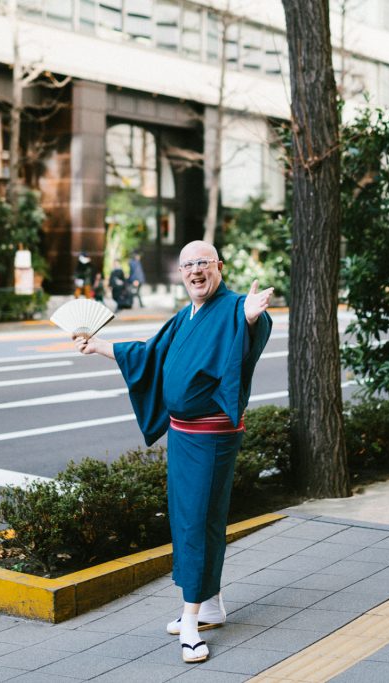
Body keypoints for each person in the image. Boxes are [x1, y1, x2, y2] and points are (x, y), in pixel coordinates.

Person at [75, 240, 273, 663]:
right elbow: (148, 353)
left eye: (203, 263)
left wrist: (252, 319)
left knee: (196, 520)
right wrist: (99, 346)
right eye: (188, 266)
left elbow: (250, 333)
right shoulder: (186, 316)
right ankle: (213, 604)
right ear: (181, 273)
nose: (195, 271)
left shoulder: (236, 307)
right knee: (198, 517)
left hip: (212, 436)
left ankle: (189, 618)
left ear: (218, 266)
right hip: (183, 436)